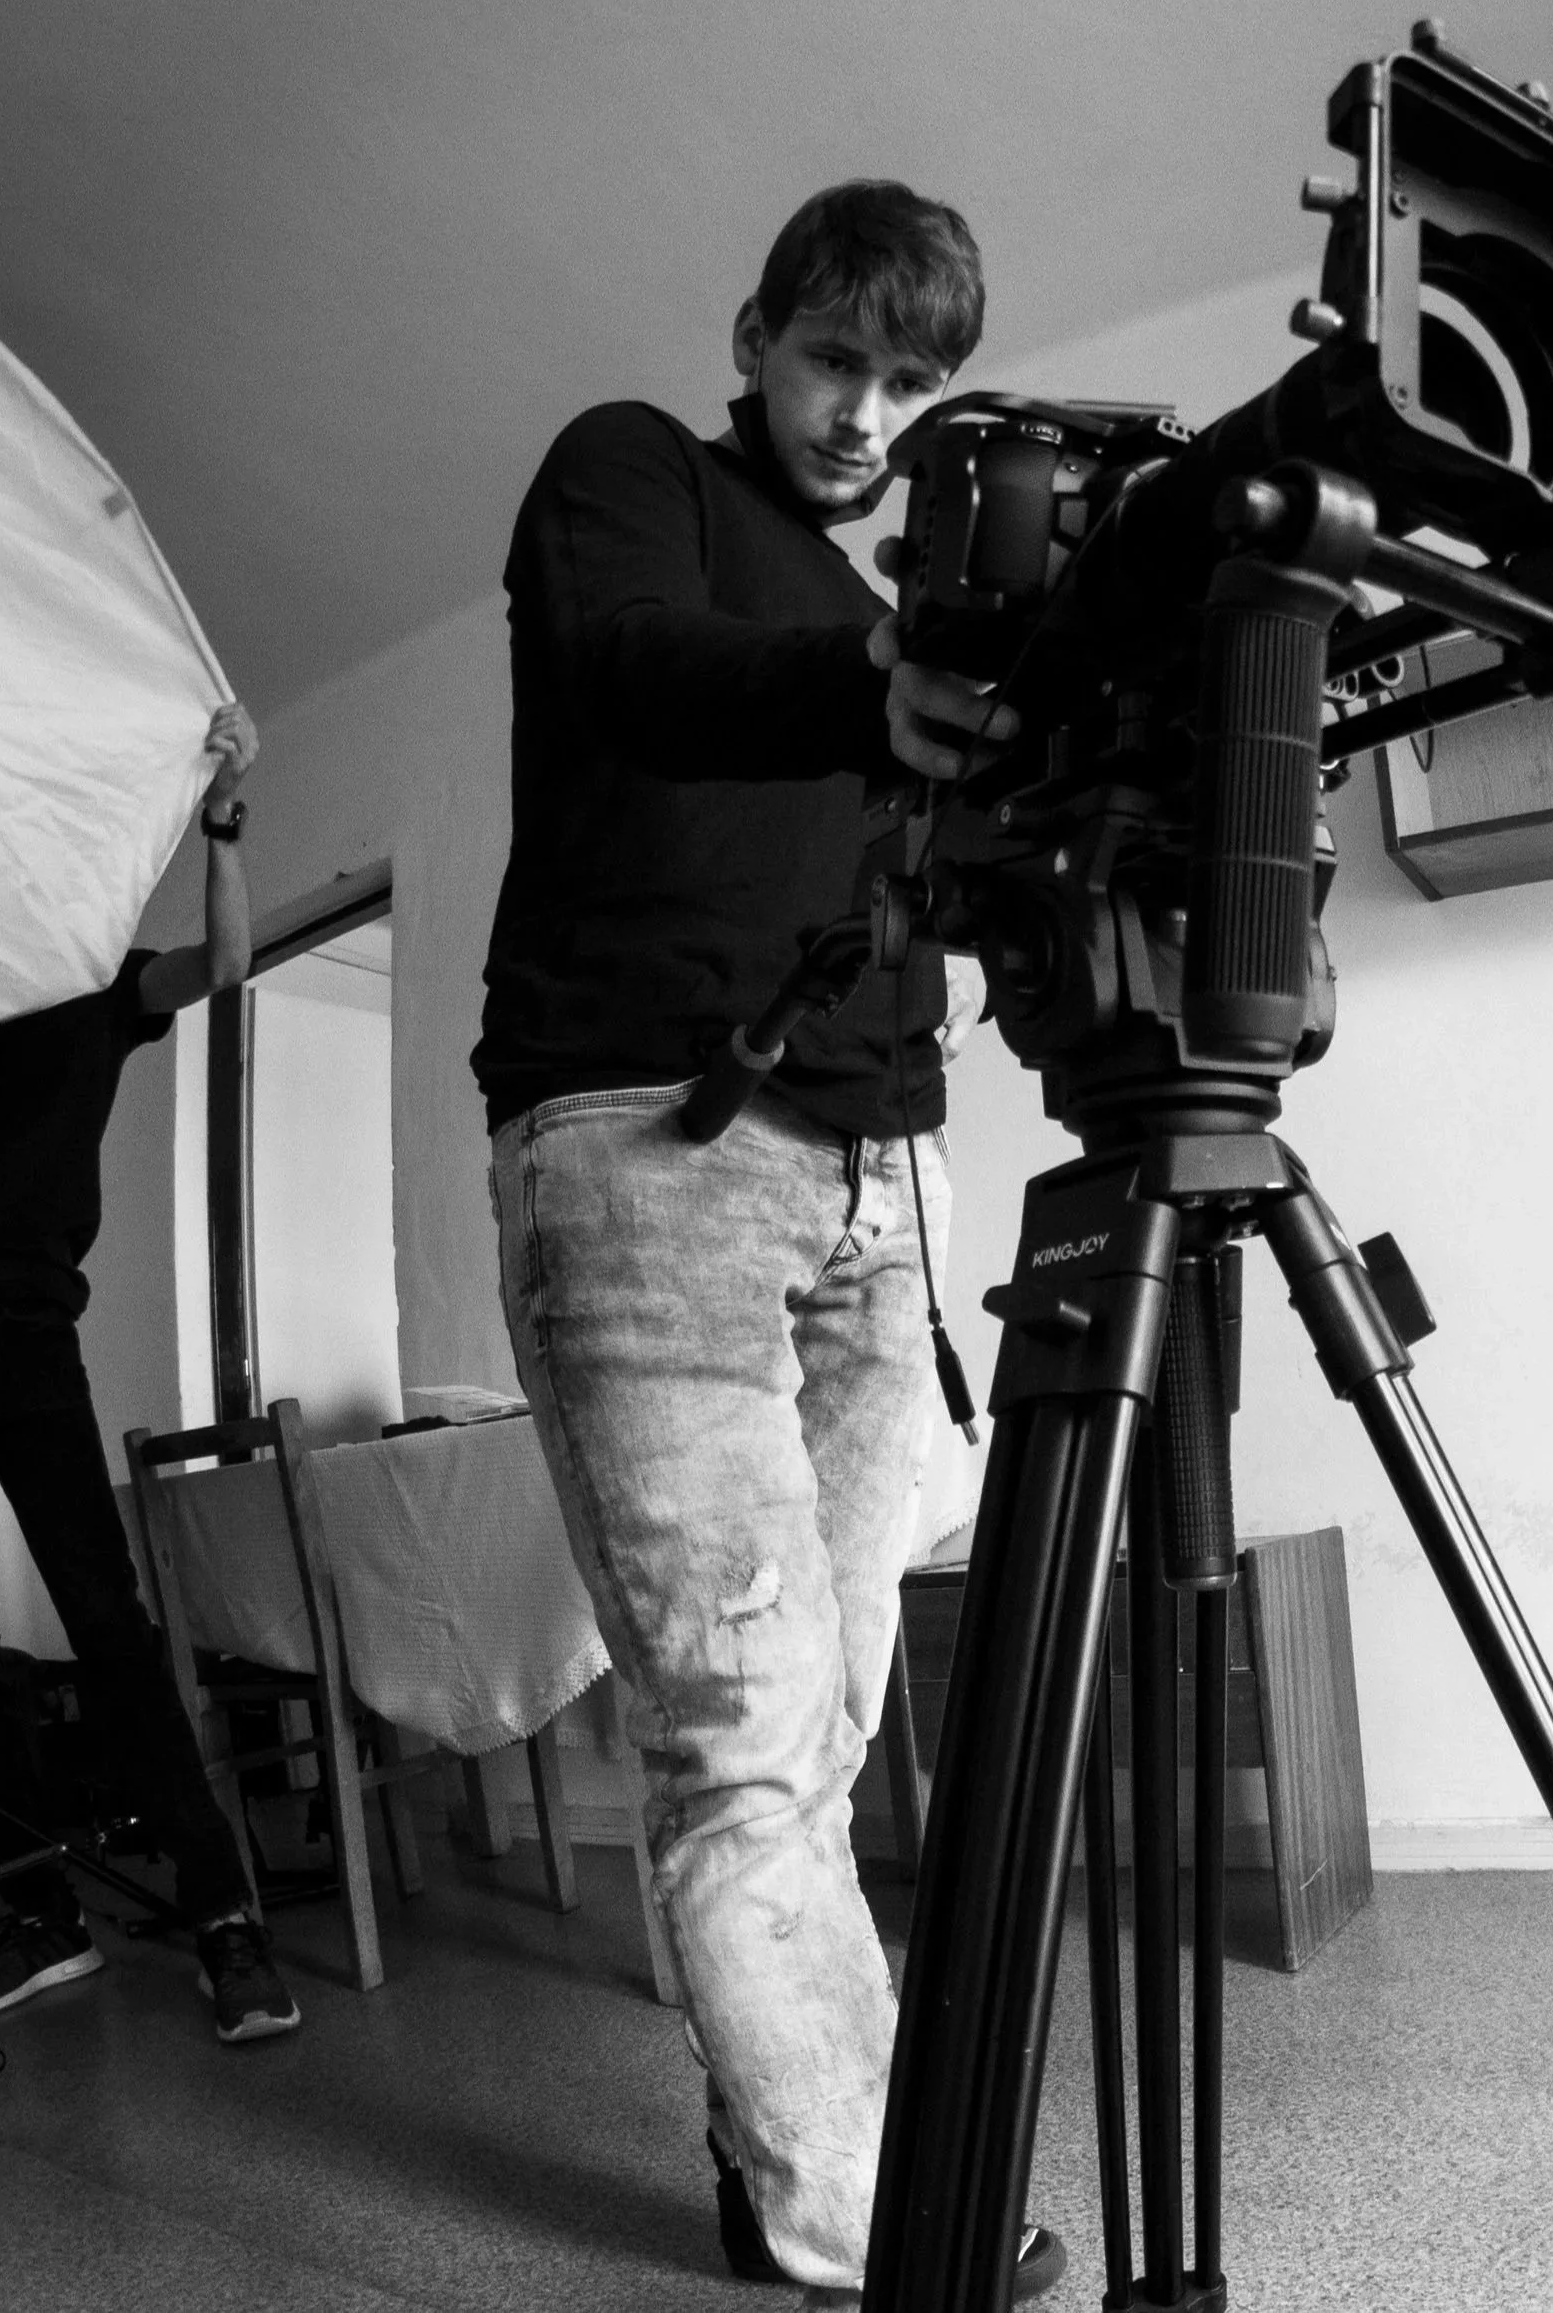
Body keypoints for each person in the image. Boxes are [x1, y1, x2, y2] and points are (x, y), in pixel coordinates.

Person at [471, 181, 1058, 2305]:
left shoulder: (885, 615)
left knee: (817, 1730)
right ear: (754, 334)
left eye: (909, 387)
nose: (862, 415)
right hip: (643, 1150)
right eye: (834, 361)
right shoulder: (633, 473)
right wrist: (861, 681)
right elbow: (640, 674)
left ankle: (776, 2152)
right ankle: (881, 2236)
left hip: (871, 1188)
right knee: (737, 1735)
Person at [0, 702, 301, 2046]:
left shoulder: (86, 982)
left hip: (22, 1336)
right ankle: (42, 1912)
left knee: (108, 1626)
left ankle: (224, 1915)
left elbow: (228, 961)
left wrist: (222, 821)